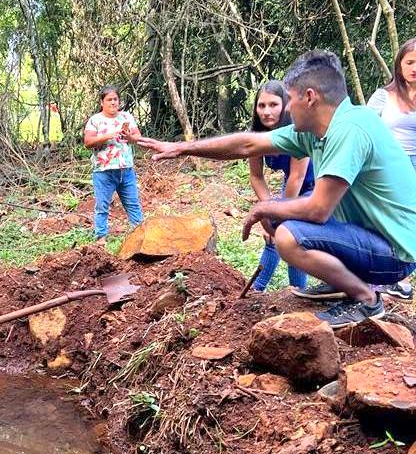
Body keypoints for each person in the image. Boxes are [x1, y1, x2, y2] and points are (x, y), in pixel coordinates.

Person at [137, 50, 416, 328]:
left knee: (288, 236)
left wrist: (263, 207)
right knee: (287, 216)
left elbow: (318, 210)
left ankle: (366, 300)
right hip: (372, 237)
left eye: (290, 99)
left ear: (310, 97)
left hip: (395, 254)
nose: (286, 108)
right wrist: (182, 147)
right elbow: (248, 144)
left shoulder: (350, 129)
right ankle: (341, 283)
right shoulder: (317, 129)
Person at [248, 80, 314, 292]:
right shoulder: (256, 136)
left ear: (285, 105)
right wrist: (268, 208)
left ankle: (297, 292)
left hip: (317, 185)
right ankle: (257, 291)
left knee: (291, 235)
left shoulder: (299, 130)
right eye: (261, 105)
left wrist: (277, 214)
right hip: (292, 183)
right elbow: (256, 176)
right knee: (272, 235)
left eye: (273, 104)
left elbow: (298, 176)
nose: (266, 111)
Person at [365, 37, 416, 300]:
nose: (414, 67)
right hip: (385, 166)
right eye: (410, 62)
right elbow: (364, 127)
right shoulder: (384, 96)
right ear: (399, 65)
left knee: (408, 222)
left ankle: (400, 278)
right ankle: (380, 276)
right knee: (381, 219)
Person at [83, 86, 143, 242]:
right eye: (109, 99)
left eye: (115, 99)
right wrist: (107, 136)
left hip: (126, 169)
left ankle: (139, 237)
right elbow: (88, 142)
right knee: (102, 207)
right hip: (104, 171)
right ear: (102, 102)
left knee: (133, 205)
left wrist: (129, 137)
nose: (113, 102)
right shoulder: (95, 120)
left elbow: (138, 137)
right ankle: (100, 239)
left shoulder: (126, 117)